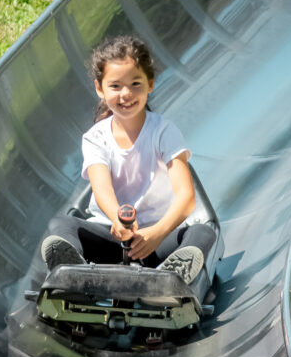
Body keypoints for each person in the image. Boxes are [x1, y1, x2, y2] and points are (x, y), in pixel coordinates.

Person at [40, 35, 215, 284]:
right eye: (115, 86)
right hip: (111, 236)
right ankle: (72, 270)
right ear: (99, 89)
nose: (126, 94)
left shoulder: (164, 132)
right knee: (62, 224)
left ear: (150, 84)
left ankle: (174, 276)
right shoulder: (95, 138)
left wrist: (157, 233)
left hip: (158, 238)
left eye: (135, 83)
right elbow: (101, 188)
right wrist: (116, 220)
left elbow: (187, 197)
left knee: (202, 232)